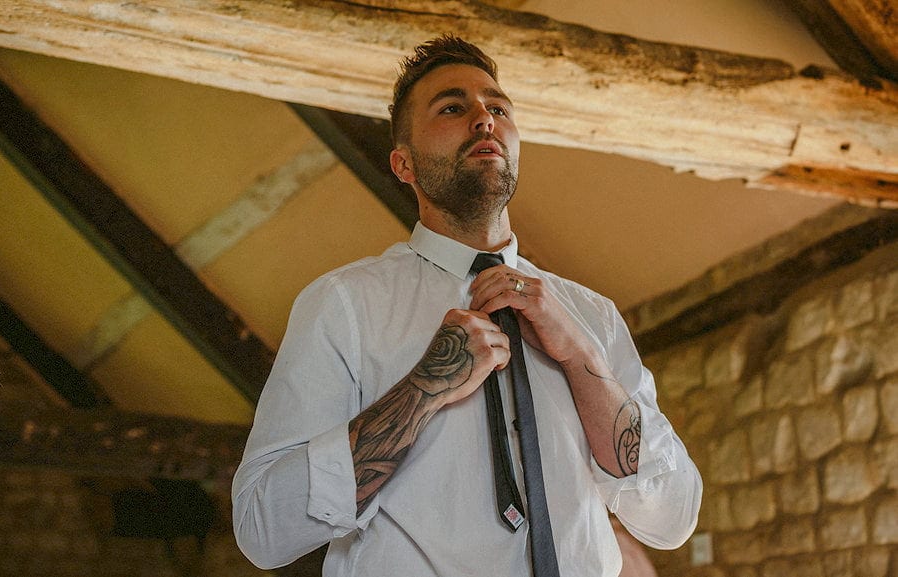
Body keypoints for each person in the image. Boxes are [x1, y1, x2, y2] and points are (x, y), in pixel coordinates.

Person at [232, 35, 702, 577]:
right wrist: (423, 387)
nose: (484, 118)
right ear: (403, 165)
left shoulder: (591, 315)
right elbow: (263, 530)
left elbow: (673, 518)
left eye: (497, 107)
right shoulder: (343, 306)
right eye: (453, 107)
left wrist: (580, 359)